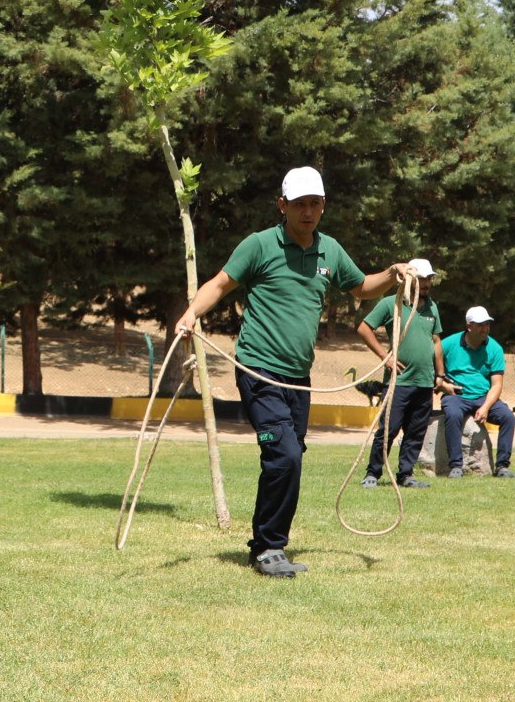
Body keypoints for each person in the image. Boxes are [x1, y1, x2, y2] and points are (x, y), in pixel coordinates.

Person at [176, 166, 409, 578]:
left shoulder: (329, 251)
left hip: (298, 378)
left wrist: (393, 275)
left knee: (288, 457)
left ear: (324, 205)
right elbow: (220, 284)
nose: (307, 212)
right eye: (299, 204)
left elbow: (361, 288)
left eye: (314, 203)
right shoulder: (259, 245)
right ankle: (268, 547)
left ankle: (268, 544)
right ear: (282, 205)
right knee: (283, 454)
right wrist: (191, 314)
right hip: (258, 370)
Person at [355, 257, 444, 489]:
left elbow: (436, 340)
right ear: (409, 279)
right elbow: (364, 328)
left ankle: (406, 474)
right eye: (422, 279)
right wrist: (386, 357)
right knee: (388, 430)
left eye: (429, 279)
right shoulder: (390, 304)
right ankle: (372, 473)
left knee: (416, 432)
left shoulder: (432, 307)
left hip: (424, 382)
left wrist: (440, 374)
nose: (427, 284)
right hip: (399, 381)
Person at [438, 306, 515, 479]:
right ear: (469, 326)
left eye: (487, 324)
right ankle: (456, 467)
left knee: (508, 417)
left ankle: (502, 466)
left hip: (483, 397)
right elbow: (429, 365)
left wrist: (486, 407)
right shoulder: (448, 344)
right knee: (453, 414)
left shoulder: (494, 348)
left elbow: (496, 385)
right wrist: (442, 384)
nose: (485, 328)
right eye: (480, 325)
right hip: (456, 396)